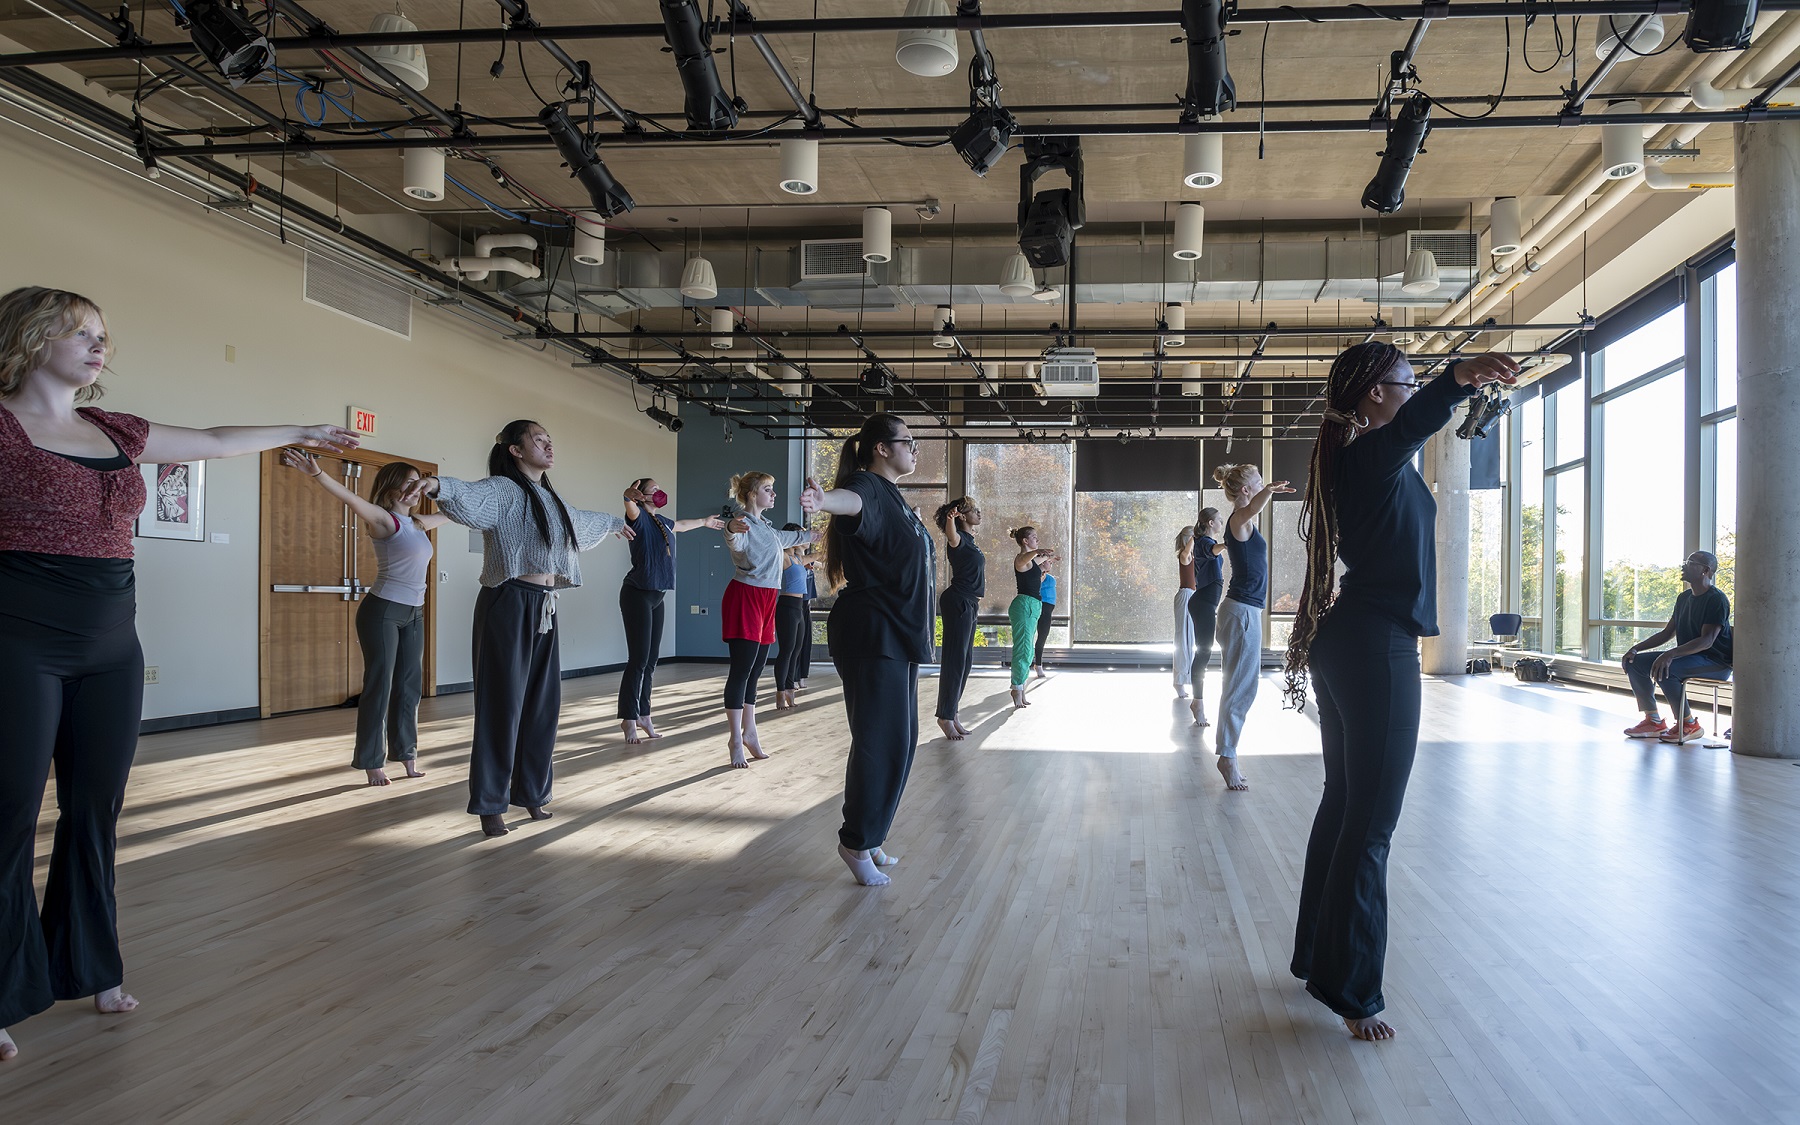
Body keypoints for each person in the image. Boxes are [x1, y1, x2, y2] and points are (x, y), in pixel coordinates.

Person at [0, 285, 359, 1063]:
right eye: (81, 333)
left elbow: (219, 439)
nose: (100, 346)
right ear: (30, 338)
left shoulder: (114, 429)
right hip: (19, 639)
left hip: (110, 645)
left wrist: (300, 426)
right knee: (8, 817)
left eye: (103, 335)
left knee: (95, 811)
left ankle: (89, 965)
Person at [1282, 343, 1519, 1041]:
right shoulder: (1374, 455)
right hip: (1373, 646)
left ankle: (1314, 959)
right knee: (1372, 825)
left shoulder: (1361, 459)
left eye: (1416, 379)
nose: (1412, 386)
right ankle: (1354, 991)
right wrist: (1457, 377)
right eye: (1405, 379)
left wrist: (1449, 384)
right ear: (1374, 396)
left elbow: (1415, 426)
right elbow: (1420, 421)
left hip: (1350, 639)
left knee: (1345, 804)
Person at [405, 421, 634, 838]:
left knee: (543, 706)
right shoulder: (504, 490)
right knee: (502, 707)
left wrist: (614, 523)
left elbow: (579, 523)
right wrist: (437, 485)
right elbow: (471, 498)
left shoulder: (550, 496)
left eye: (550, 438)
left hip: (544, 606)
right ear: (515, 449)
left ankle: (531, 792)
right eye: (539, 439)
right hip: (507, 602)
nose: (549, 444)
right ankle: (490, 804)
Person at [800, 414, 934, 887]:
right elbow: (849, 501)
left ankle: (873, 834)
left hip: (893, 635)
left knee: (899, 740)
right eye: (908, 442)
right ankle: (855, 842)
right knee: (880, 741)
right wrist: (823, 501)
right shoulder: (866, 486)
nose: (915, 450)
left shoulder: (894, 497)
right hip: (872, 634)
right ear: (881, 448)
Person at [282, 451, 453, 785]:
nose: (414, 488)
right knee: (381, 684)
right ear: (390, 488)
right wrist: (317, 473)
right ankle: (371, 759)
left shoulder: (418, 523)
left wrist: (484, 496)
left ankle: (407, 754)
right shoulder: (383, 519)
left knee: (409, 687)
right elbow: (349, 497)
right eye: (408, 482)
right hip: (383, 612)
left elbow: (455, 513)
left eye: (417, 483)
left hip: (414, 614)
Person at [719, 472, 818, 767]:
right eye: (767, 489)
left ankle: (750, 731)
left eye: (773, 489)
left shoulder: (769, 529)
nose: (773, 494)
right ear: (751, 494)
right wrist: (729, 527)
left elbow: (793, 537)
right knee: (742, 669)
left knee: (756, 669)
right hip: (745, 597)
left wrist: (815, 535)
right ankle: (735, 738)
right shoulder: (743, 523)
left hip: (766, 599)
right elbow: (733, 539)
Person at [618, 477, 726, 744]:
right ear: (642, 496)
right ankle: (628, 718)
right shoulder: (639, 517)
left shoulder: (662, 521)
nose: (659, 492)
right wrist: (628, 496)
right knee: (638, 660)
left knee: (652, 660)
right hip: (637, 595)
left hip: (658, 596)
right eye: (652, 489)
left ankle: (644, 714)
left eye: (658, 488)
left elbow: (681, 526)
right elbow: (630, 508)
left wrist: (704, 522)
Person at [1212, 462, 1295, 790]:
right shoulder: (1237, 520)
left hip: (1244, 613)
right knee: (1241, 687)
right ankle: (1227, 756)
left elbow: (1254, 507)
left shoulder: (1245, 523)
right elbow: (1252, 508)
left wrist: (1266, 492)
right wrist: (1269, 492)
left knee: (1240, 685)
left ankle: (1228, 753)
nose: (1263, 485)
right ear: (1246, 490)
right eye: (1258, 483)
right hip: (1241, 613)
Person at [1621, 552, 1733, 743]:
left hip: (1715, 663)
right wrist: (1635, 649)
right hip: (1689, 659)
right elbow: (1667, 633)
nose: (1684, 566)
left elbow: (1707, 641)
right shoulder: (1683, 598)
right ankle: (1653, 721)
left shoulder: (1716, 599)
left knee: (1667, 667)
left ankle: (1688, 723)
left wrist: (1670, 654)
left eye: (1690, 563)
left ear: (1705, 570)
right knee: (1635, 663)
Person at [933, 496, 984, 741]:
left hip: (970, 602)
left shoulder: (972, 542)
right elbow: (951, 536)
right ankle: (945, 716)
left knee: (965, 663)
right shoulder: (959, 538)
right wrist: (950, 521)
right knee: (954, 661)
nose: (979, 513)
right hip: (959, 601)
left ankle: (952, 713)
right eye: (975, 510)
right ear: (962, 515)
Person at [1006, 526, 1058, 709]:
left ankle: (1020, 687)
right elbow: (1027, 558)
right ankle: (1016, 688)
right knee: (1023, 648)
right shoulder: (1021, 559)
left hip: (1033, 606)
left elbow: (1041, 559)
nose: (1037, 539)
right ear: (1025, 541)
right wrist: (1038, 552)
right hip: (1024, 605)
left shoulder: (1033, 562)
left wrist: (1048, 556)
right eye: (1034, 537)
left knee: (1028, 652)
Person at [1187, 508, 1228, 727]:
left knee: (1204, 652)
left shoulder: (1205, 542)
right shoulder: (1202, 541)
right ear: (1211, 523)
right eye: (1220, 520)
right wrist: (1228, 543)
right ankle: (1198, 703)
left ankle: (1198, 701)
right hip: (1202, 603)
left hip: (1205, 603)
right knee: (1203, 653)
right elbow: (1213, 550)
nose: (1222, 522)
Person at [772, 525, 815, 711]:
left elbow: (817, 557)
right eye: (800, 533)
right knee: (786, 651)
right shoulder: (784, 556)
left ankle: (790, 689)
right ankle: (780, 691)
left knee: (796, 650)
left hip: (799, 608)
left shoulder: (798, 558)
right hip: (787, 607)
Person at [1173, 526, 1198, 699]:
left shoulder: (1193, 557)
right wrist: (1196, 535)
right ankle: (1179, 681)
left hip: (1192, 596)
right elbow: (1188, 548)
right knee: (1182, 640)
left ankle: (1184, 678)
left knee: (1190, 640)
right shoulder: (1184, 555)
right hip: (1185, 596)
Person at [1032, 571, 1058, 679]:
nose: (1050, 563)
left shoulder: (1049, 576)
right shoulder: (1035, 575)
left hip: (1048, 608)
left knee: (1043, 636)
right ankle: (1037, 664)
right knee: (1031, 636)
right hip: (1038, 605)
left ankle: (1038, 663)